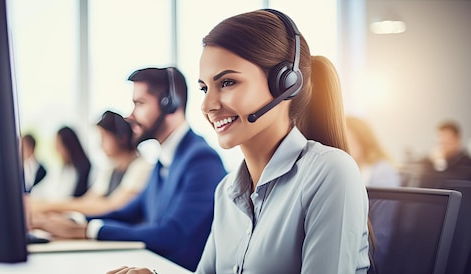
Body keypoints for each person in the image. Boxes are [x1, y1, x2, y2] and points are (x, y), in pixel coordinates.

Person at [107, 9, 370, 274]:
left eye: (228, 82)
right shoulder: (227, 191)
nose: (207, 106)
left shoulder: (330, 173)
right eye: (204, 88)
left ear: (285, 84)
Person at [30, 67, 227, 271]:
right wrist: (72, 221)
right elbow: (128, 212)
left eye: (139, 104)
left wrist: (89, 230)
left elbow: (173, 235)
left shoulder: (201, 160)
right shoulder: (164, 159)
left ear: (170, 104)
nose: (131, 115)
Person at [28, 110, 153, 216]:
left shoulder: (142, 167)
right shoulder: (110, 169)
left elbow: (111, 206)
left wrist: (49, 207)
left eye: (104, 137)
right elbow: (88, 201)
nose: (100, 144)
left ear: (122, 137)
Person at [28, 126, 91, 201]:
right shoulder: (61, 168)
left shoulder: (84, 169)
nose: (57, 150)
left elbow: (69, 198)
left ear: (69, 146)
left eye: (59, 146)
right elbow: (41, 190)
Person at [345, 116, 401, 188]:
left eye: (350, 142)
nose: (344, 148)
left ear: (363, 142)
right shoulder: (349, 169)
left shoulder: (383, 171)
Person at [419, 120, 471, 186]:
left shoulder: (468, 162)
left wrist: (440, 162)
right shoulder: (429, 160)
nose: (442, 145)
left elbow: (448, 183)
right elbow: (423, 179)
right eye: (440, 142)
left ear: (457, 140)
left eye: (446, 142)